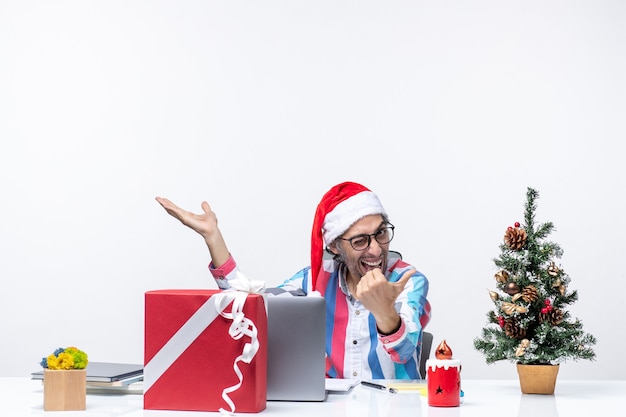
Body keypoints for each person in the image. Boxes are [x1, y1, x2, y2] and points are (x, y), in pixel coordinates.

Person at [156, 181, 431, 380]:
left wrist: (384, 312)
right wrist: (213, 239)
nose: (374, 249)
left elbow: (405, 352)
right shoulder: (313, 281)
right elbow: (251, 305)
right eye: (360, 240)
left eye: (381, 233)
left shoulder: (408, 280)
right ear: (335, 246)